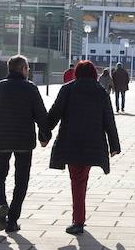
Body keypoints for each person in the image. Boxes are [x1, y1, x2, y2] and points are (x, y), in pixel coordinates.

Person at [42, 60, 120, 235]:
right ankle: (78, 219)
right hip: (93, 143)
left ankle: (78, 221)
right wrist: (114, 145)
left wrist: (44, 134)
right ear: (94, 74)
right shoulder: (101, 92)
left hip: (71, 142)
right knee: (81, 179)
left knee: (77, 181)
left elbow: (54, 113)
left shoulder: (68, 89)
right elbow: (109, 120)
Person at [0, 55, 48, 233]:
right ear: (23, 69)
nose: (28, 72)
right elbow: (41, 116)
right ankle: (12, 220)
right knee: (21, 180)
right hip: (24, 141)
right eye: (27, 68)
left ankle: (1, 204)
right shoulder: (31, 89)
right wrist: (44, 136)